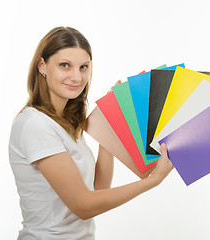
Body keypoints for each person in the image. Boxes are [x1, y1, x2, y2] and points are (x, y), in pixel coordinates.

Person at [9, 26, 173, 240]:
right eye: (65, 65)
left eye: (84, 67)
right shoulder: (35, 124)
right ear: (42, 66)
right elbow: (83, 206)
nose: (77, 77)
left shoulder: (65, 124)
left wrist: (110, 124)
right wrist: (153, 181)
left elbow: (97, 190)